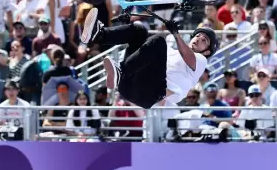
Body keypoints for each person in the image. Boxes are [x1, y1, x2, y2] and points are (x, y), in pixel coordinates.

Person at [80, 8, 219, 109]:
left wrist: (176, 34)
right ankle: (99, 36)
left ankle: (121, 71)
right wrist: (127, 26)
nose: (198, 39)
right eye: (198, 35)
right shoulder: (170, 52)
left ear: (207, 52)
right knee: (139, 31)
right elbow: (145, 49)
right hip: (129, 85)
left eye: (204, 40)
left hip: (148, 94)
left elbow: (188, 57)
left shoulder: (201, 60)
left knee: (159, 41)